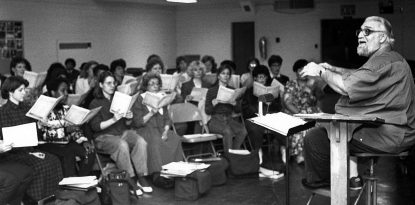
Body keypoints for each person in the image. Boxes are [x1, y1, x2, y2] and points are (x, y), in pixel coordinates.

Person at [300, 16, 415, 189]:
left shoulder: (383, 61)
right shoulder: (390, 59)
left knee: (317, 137)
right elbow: (359, 75)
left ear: (382, 37)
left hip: (390, 135)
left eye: (367, 31)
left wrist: (321, 71)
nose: (361, 35)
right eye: (360, 31)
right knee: (334, 130)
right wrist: (333, 69)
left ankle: (326, 183)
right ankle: (348, 178)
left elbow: (346, 87)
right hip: (396, 131)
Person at [0, 76, 63, 203]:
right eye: (20, 90)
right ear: (10, 92)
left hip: (28, 149)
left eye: (24, 89)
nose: (24, 92)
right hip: (13, 152)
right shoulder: (3, 112)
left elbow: (34, 133)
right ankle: (35, 200)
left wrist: (39, 125)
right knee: (40, 165)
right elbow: (10, 137)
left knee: (53, 160)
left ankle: (53, 198)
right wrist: (31, 152)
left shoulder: (26, 108)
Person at [88, 71, 150, 194]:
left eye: (113, 83)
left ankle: (142, 176)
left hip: (121, 133)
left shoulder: (118, 99)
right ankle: (130, 179)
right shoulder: (95, 102)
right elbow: (96, 127)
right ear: (101, 85)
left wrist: (129, 117)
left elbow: (127, 125)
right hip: (103, 137)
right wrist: (113, 119)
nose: (112, 85)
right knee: (122, 145)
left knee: (140, 141)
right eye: (108, 83)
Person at [37, 77, 95, 177]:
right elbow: (43, 134)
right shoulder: (43, 108)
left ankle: (81, 180)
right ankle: (70, 183)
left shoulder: (66, 108)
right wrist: (65, 130)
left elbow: (74, 128)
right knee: (68, 153)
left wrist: (83, 140)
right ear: (53, 92)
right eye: (62, 90)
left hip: (65, 142)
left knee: (89, 152)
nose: (66, 93)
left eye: (67, 90)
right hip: (48, 144)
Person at [131, 73, 183, 182]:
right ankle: (157, 173)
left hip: (161, 129)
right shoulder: (139, 99)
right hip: (145, 130)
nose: (155, 86)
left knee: (175, 138)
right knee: (155, 141)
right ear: (146, 86)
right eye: (152, 84)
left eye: (157, 84)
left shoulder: (161, 97)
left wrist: (166, 130)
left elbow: (167, 118)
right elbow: (137, 122)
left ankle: (175, 171)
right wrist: (151, 113)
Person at [282, 59, 322, 164]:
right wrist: (301, 114)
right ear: (296, 71)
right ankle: (301, 155)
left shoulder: (313, 84)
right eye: (299, 70)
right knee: (303, 126)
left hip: (312, 112)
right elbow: (287, 103)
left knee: (322, 126)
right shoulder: (291, 84)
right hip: (295, 112)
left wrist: (314, 87)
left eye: (304, 70)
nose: (302, 72)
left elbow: (320, 97)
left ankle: (317, 154)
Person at [205, 65, 247, 152]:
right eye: (223, 73)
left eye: (228, 74)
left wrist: (235, 104)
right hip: (215, 120)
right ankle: (229, 156)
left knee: (243, 131)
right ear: (218, 76)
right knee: (228, 131)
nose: (226, 76)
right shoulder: (212, 90)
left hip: (229, 119)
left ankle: (234, 153)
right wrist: (213, 104)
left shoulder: (233, 90)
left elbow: (238, 110)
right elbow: (207, 111)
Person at [242, 65, 282, 151]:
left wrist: (271, 103)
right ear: (255, 78)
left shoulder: (272, 90)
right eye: (260, 77)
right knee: (255, 128)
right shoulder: (249, 91)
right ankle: (257, 151)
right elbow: (245, 109)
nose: (262, 79)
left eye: (264, 77)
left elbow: (278, 107)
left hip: (270, 117)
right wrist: (257, 111)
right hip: (254, 118)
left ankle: (284, 148)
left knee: (282, 125)